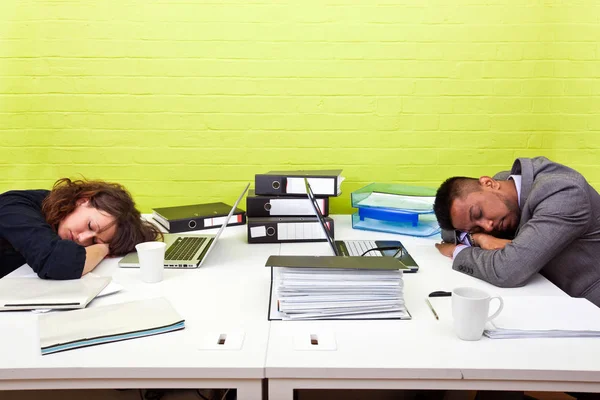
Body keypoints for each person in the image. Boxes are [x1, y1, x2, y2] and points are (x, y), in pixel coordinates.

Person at [433, 156, 600, 307]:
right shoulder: (504, 187)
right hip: (547, 295)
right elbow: (447, 232)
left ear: (489, 183)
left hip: (588, 307)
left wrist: (458, 251)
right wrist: (479, 238)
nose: (488, 226)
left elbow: (508, 270)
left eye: (478, 213)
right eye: (477, 226)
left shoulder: (564, 193)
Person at [0, 178, 162, 279]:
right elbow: (57, 262)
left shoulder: (56, 221)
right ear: (83, 200)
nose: (83, 239)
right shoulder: (16, 206)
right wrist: (104, 247)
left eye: (92, 240)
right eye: (90, 226)